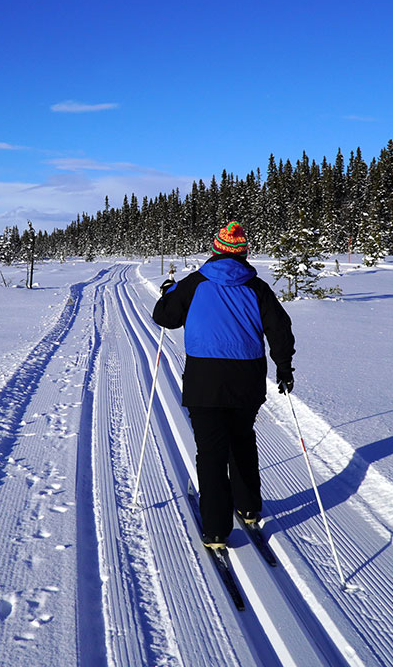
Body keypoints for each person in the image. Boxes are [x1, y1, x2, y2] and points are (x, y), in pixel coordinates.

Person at [152, 221, 295, 549]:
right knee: (242, 440)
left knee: (212, 451)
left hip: (205, 379)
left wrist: (167, 292)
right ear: (243, 252)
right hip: (247, 379)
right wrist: (284, 368)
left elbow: (165, 318)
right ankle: (247, 507)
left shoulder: (194, 283)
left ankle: (216, 528)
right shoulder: (256, 287)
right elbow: (280, 329)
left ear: (216, 249)